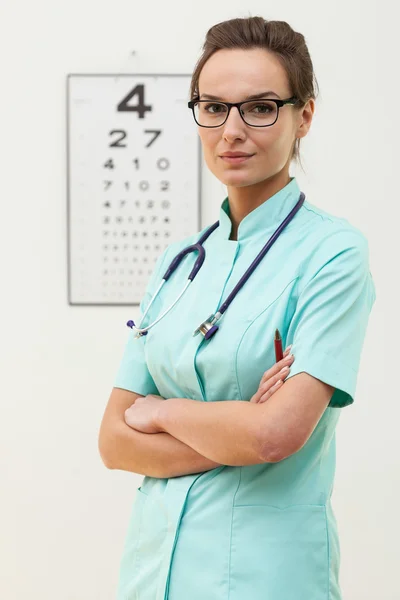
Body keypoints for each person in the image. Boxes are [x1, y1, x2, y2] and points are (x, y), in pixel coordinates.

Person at [98, 16, 376, 600]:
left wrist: (161, 411)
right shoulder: (178, 262)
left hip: (265, 576)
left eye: (260, 107)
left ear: (304, 116)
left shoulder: (332, 255)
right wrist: (233, 428)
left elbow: (274, 436)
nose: (232, 130)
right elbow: (114, 441)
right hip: (156, 573)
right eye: (214, 107)